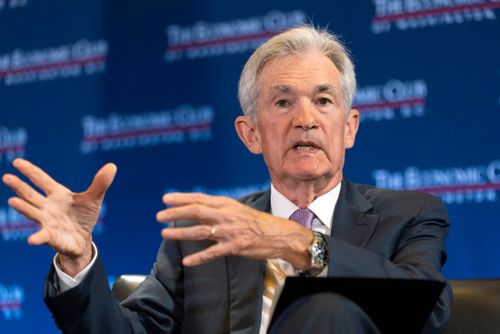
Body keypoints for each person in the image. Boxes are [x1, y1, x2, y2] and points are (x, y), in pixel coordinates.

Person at [2, 25, 451, 333]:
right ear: (250, 133)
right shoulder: (201, 237)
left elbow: (427, 307)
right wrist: (78, 262)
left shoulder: (410, 215)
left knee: (328, 306)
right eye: (282, 103)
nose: (305, 120)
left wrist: (295, 244)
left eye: (323, 101)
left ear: (349, 126)